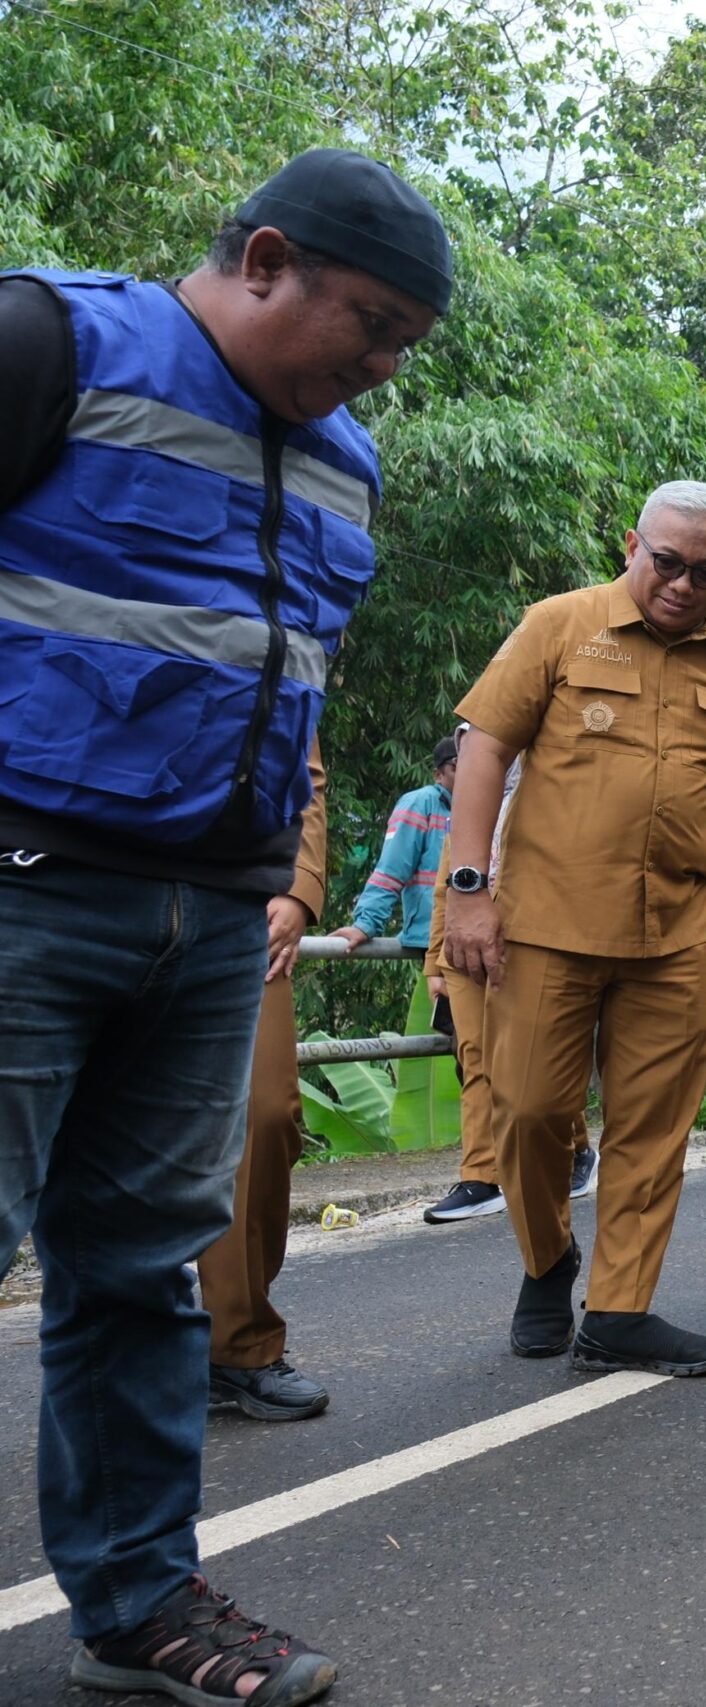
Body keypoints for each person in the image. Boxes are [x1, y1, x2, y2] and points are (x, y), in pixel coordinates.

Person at [0, 147, 447, 1706]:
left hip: (207, 916)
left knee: (141, 1271)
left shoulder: (347, 462)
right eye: (371, 325)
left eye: (406, 346)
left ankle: (135, 1598)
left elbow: (284, 678)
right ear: (263, 260)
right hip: (24, 884)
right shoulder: (49, 341)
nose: (383, 368)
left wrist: (274, 876)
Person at [443, 480, 706, 1376]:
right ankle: (548, 1259)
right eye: (666, 561)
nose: (682, 583)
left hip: (674, 933)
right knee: (527, 1111)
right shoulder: (559, 625)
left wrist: (672, 838)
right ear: (633, 545)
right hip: (546, 922)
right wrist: (468, 888)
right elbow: (484, 747)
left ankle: (619, 1312)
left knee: (653, 1129)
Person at [200, 754, 332, 1426]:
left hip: (238, 899)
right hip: (77, 882)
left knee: (265, 1114)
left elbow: (302, 774)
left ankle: (237, 1345)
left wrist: (299, 888)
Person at [423, 731, 597, 1224]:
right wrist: (435, 963)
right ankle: (480, 1176)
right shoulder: (467, 811)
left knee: (535, 1060)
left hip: (526, 941)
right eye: (465, 748)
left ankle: (577, 1149)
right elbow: (446, 890)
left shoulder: (548, 796)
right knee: (475, 1056)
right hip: (463, 947)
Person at [330, 733, 455, 951]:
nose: (469, 773)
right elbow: (392, 868)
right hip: (433, 940)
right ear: (438, 775)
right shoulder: (421, 803)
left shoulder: (488, 807)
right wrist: (366, 923)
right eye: (457, 766)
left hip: (478, 936)